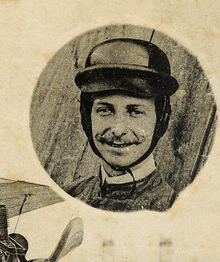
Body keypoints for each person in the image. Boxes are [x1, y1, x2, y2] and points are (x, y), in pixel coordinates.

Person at [66, 38, 180, 212]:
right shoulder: (69, 195)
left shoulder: (174, 209)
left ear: (160, 119)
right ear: (87, 117)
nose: (118, 130)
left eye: (135, 111)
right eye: (105, 110)